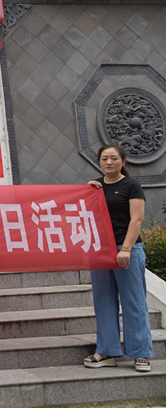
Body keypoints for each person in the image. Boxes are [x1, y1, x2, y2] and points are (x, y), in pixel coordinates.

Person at [84, 144, 152, 372]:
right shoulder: (94, 186)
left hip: (127, 249)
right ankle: (107, 351)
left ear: (123, 162)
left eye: (114, 158)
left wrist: (127, 249)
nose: (109, 162)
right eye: (104, 158)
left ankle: (140, 353)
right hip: (100, 250)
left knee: (134, 300)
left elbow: (136, 220)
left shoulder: (131, 186)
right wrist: (86, 192)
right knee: (103, 301)